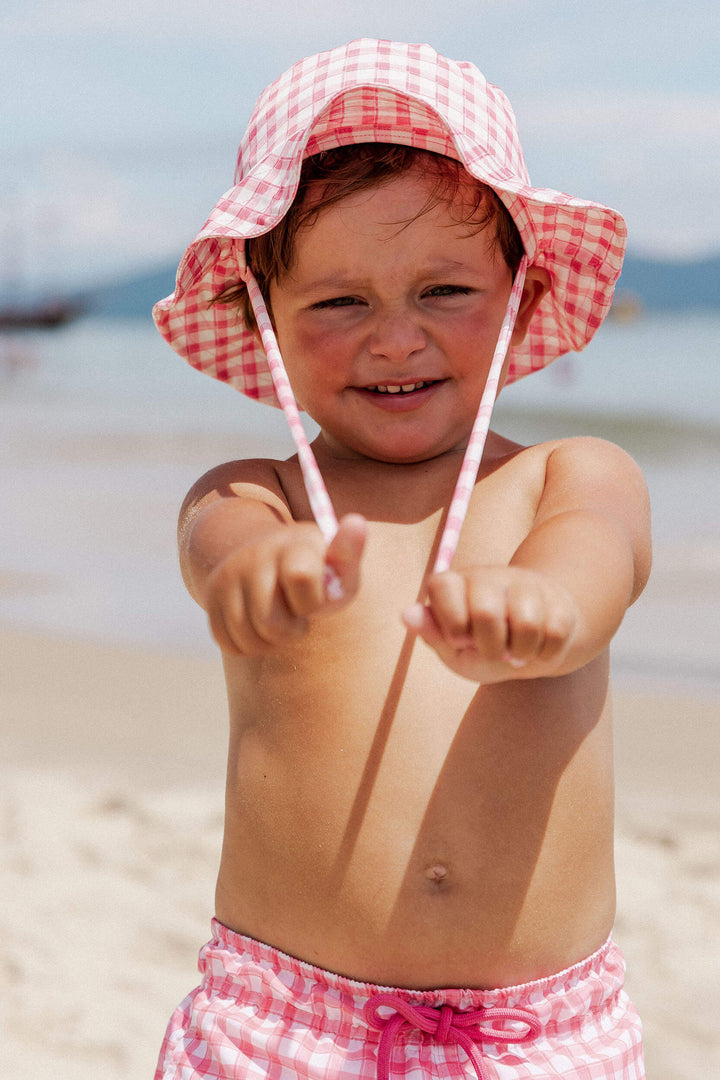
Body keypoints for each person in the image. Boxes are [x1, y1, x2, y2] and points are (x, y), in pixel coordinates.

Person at [152, 39, 650, 1080]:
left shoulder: (571, 477)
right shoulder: (262, 496)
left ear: (521, 291)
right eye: (340, 303)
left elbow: (596, 564)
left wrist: (543, 603)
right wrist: (256, 572)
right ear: (264, 320)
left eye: (444, 292)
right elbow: (220, 549)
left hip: (538, 1036)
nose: (396, 340)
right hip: (283, 1020)